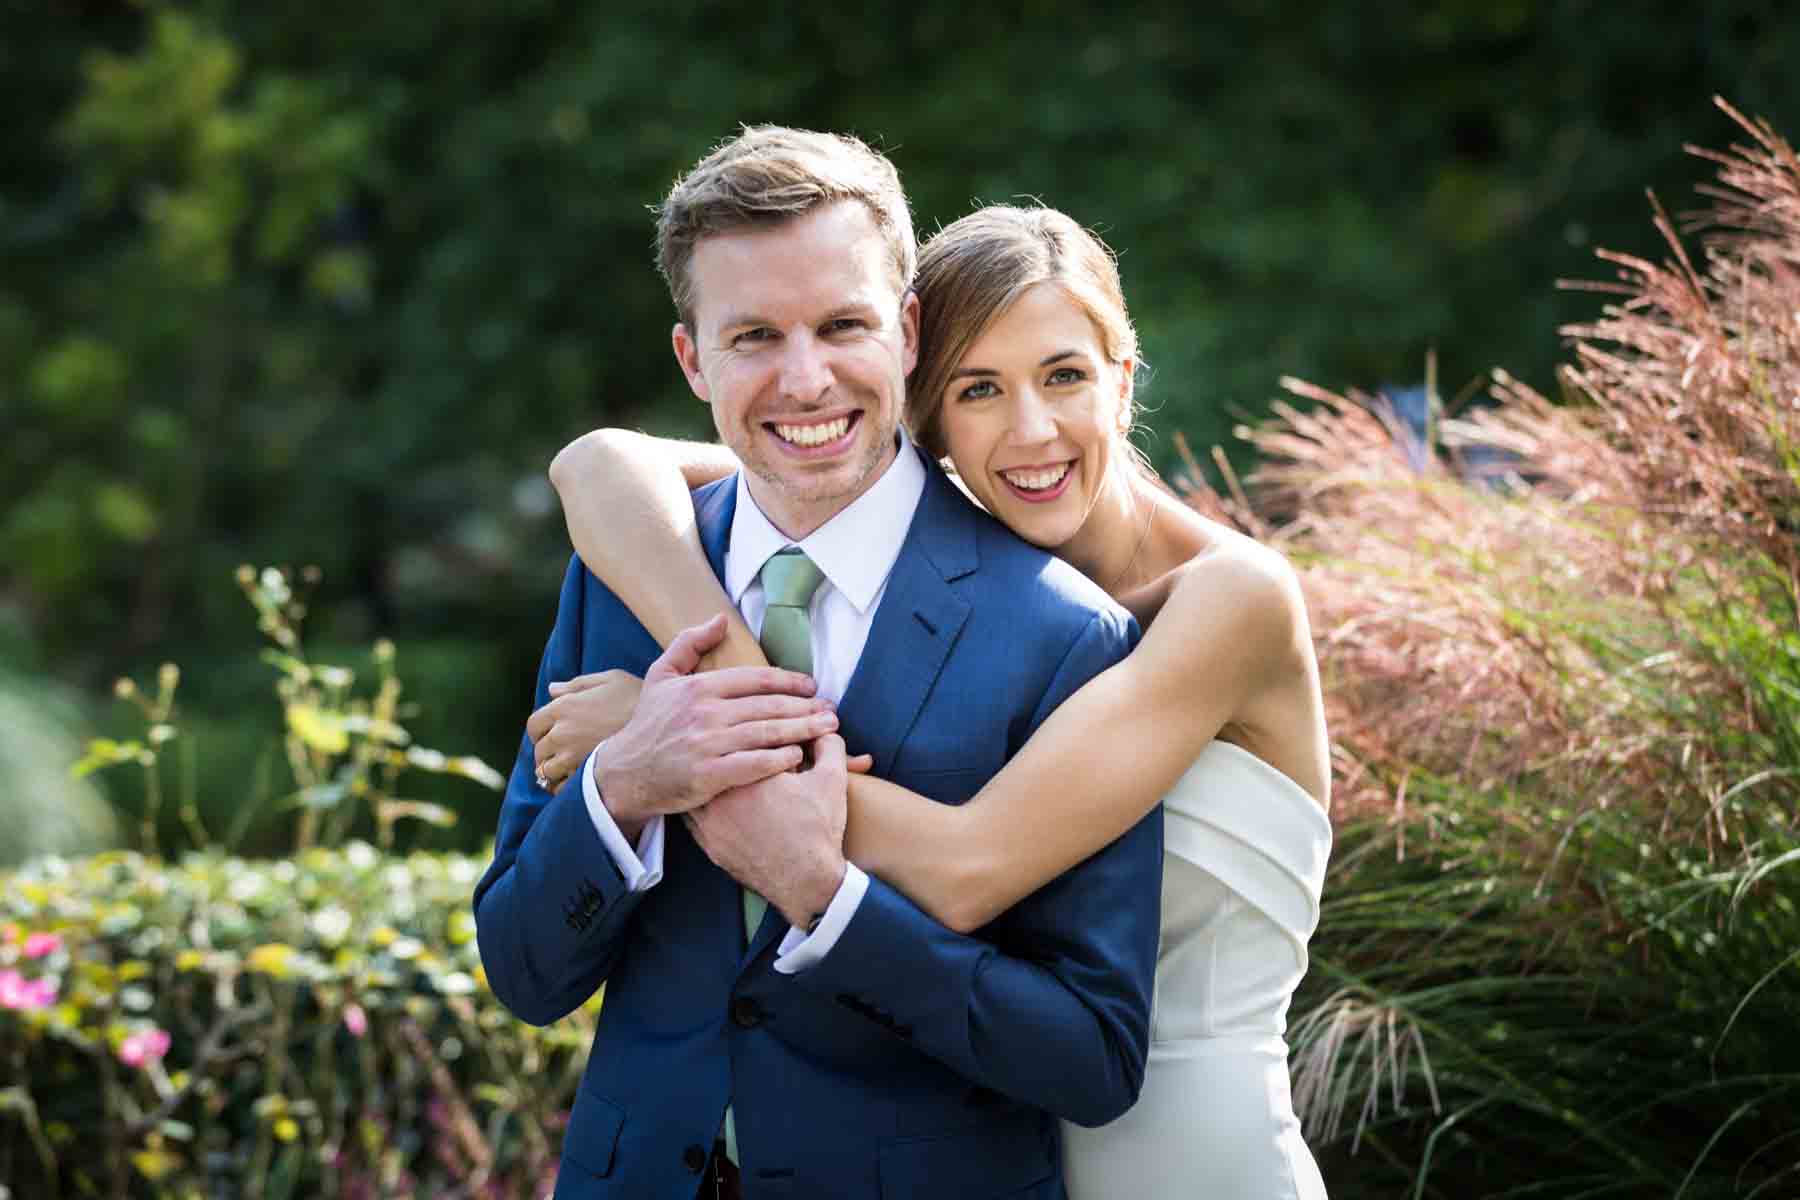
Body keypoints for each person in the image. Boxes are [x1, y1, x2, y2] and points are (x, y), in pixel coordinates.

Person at [536, 203, 1334, 1198]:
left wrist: (685, 741)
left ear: (1124, 378)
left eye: (1065, 376)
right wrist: (727, 686)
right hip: (1002, 1155)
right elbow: (604, 467)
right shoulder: (964, 579)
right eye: (979, 389)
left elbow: (970, 868)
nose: (1032, 429)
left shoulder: (1232, 599)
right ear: (925, 413)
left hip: (1183, 1154)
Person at [472, 128, 1163, 1200]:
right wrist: (622, 787)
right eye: (753, 336)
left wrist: (826, 898)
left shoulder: (1065, 638)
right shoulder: (619, 577)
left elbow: (1091, 1058)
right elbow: (521, 971)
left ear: (909, 329)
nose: (806, 380)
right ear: (692, 358)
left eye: (843, 325)